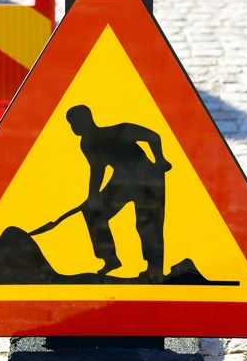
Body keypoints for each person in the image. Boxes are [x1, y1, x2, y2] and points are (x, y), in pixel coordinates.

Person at [66, 104, 172, 277]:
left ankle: (155, 269)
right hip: (122, 180)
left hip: (147, 178)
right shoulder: (87, 143)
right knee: (94, 212)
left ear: (87, 120)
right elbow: (97, 169)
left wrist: (159, 160)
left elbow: (153, 136)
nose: (74, 127)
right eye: (71, 124)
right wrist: (93, 197)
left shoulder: (119, 131)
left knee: (147, 223)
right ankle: (110, 258)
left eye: (75, 122)